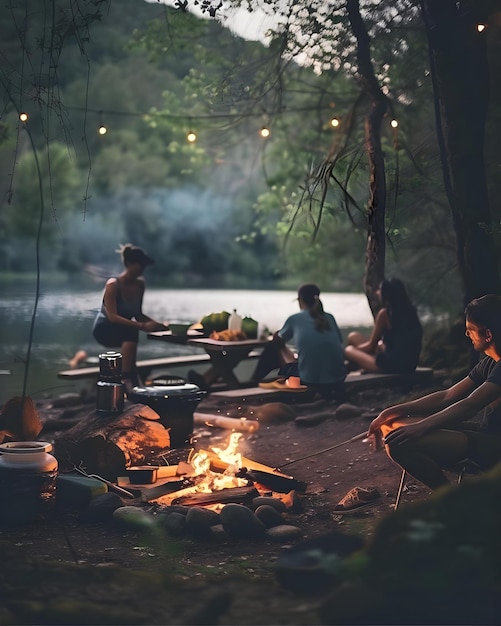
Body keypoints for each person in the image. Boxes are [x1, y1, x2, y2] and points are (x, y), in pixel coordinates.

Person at [367, 294, 501, 491]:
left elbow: (470, 405)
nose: (466, 334)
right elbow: (447, 396)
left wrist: (421, 427)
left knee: (399, 443)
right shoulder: (490, 363)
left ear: (488, 335)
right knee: (393, 426)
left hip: (494, 446)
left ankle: (451, 501)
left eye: (470, 329)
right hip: (484, 434)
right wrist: (392, 411)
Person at [251, 283, 347, 401]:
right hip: (338, 378)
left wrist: (274, 335)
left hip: (309, 380)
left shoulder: (295, 319)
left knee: (274, 346)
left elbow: (278, 340)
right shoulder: (329, 317)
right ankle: (254, 381)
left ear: (300, 300)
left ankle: (253, 382)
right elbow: (339, 342)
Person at [92, 244, 167, 391]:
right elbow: (113, 317)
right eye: (139, 265)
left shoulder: (140, 285)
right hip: (104, 329)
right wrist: (143, 327)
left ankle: (131, 381)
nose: (142, 269)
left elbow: (138, 315)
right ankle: (126, 379)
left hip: (125, 328)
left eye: (144, 266)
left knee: (131, 334)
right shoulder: (113, 285)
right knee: (131, 333)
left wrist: (158, 325)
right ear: (128, 264)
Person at [344, 277, 422, 374]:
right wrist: (382, 346)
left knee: (348, 350)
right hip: (410, 365)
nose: (377, 292)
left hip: (392, 368)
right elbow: (402, 342)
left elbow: (371, 347)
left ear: (387, 295)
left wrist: (353, 351)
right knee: (353, 337)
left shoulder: (385, 314)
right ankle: (362, 363)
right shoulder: (411, 312)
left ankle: (358, 364)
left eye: (379, 290)